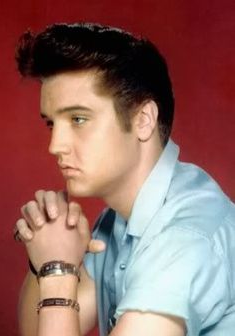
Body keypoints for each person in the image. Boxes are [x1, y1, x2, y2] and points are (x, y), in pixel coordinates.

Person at [14, 23, 235, 336]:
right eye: (52, 123)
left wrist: (58, 269)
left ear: (143, 120)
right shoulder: (118, 220)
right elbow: (43, 327)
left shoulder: (185, 237)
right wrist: (45, 262)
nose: (55, 146)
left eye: (78, 119)